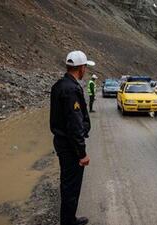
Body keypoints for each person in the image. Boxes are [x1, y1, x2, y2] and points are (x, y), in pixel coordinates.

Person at [50, 50, 95, 225]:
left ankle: (69, 218)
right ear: (81, 68)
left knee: (67, 185)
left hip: (63, 143)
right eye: (85, 67)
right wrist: (82, 154)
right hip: (70, 147)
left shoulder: (59, 85)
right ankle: (68, 222)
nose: (86, 71)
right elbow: (74, 126)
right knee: (71, 187)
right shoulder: (71, 90)